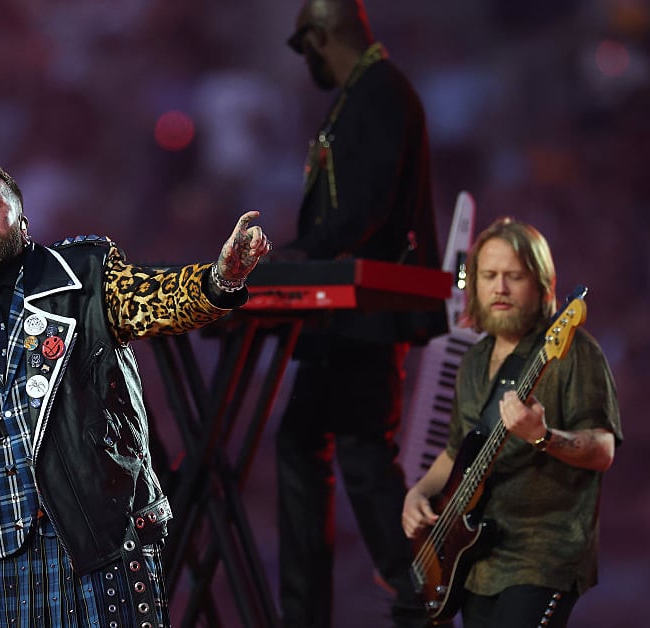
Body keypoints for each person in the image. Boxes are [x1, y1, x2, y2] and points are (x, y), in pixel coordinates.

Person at [0, 163, 271, 626]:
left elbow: (160, 300)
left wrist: (221, 278)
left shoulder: (83, 277)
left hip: (92, 546)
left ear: (22, 225)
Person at [274, 1, 448, 626]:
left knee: (357, 455)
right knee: (325, 446)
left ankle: (420, 593)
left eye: (306, 47)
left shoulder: (379, 91)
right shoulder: (368, 90)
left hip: (365, 314)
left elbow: (367, 204)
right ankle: (408, 593)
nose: (307, 62)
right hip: (345, 315)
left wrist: (301, 256)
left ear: (322, 34)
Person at [402, 218, 622, 627]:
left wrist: (543, 437)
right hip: (476, 562)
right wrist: (417, 493)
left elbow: (603, 450)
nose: (499, 288)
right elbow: (456, 451)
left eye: (513, 276)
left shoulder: (574, 351)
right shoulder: (473, 361)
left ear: (541, 284)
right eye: (489, 276)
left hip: (542, 554)